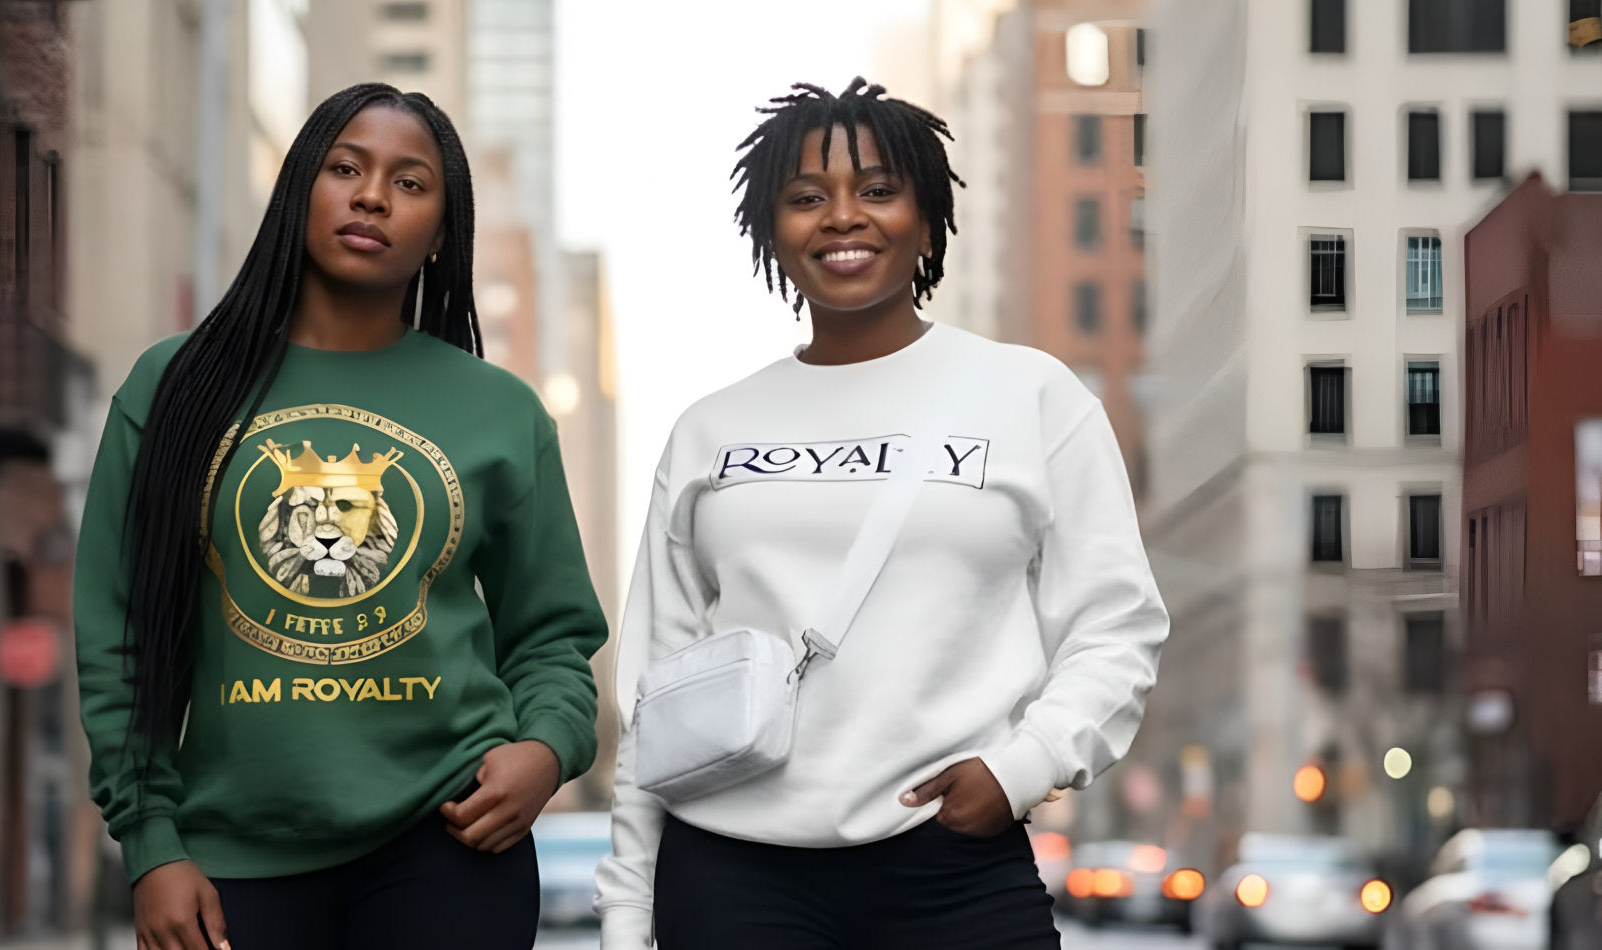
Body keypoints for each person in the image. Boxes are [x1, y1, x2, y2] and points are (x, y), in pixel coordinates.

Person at [594, 78, 1169, 949]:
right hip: (732, 871)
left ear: (927, 219)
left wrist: (1024, 768)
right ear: (770, 230)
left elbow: (1116, 625)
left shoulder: (1031, 395)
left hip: (952, 861)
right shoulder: (711, 427)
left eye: (876, 190)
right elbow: (656, 688)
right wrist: (630, 912)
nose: (841, 217)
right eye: (805, 198)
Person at [73, 83, 607, 950]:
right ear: (297, 193)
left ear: (443, 229)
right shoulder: (175, 386)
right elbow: (117, 636)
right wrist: (150, 843)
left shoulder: (499, 410)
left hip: (449, 840)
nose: (372, 196)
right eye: (346, 168)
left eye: (410, 182)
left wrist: (545, 751)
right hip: (227, 859)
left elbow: (551, 635)